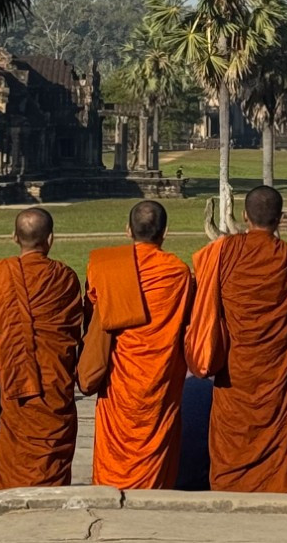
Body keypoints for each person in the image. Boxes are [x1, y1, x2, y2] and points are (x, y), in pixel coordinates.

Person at [187, 184, 287, 492]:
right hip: (282, 375)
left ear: (245, 216)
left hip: (237, 373)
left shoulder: (224, 253)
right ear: (278, 219)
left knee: (235, 446)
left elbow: (206, 302)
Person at [0, 206, 84, 489]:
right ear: (51, 239)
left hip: (12, 397)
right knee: (48, 474)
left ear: (14, 237)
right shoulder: (65, 279)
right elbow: (72, 334)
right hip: (53, 396)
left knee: (10, 476)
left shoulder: (0, 278)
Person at [85, 200, 194, 489]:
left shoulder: (108, 268)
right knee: (157, 440)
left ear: (127, 230)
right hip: (159, 379)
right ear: (165, 232)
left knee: (115, 456)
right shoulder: (178, 273)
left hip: (120, 380)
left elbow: (94, 307)